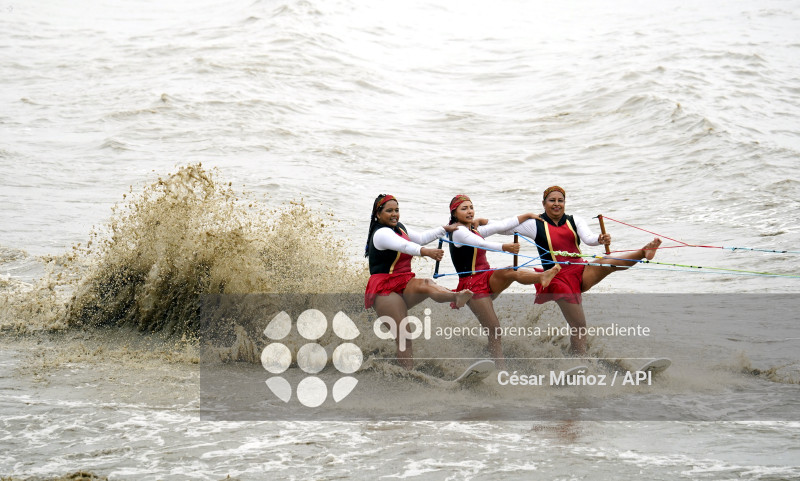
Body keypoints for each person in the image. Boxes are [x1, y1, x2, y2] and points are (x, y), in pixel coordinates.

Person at [507, 185, 662, 355]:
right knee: (579, 326)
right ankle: (578, 361)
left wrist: (600, 238)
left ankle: (643, 252)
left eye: (560, 200)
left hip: (579, 271)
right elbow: (504, 227)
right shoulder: (535, 225)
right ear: (544, 203)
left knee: (607, 263)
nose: (557, 204)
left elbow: (588, 238)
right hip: (557, 278)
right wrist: (482, 224)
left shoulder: (574, 220)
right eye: (552, 200)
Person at [447, 194, 561, 369]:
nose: (470, 211)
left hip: (486, 276)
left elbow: (503, 224)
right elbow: (480, 244)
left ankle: (542, 277)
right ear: (454, 213)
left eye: (471, 207)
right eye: (464, 208)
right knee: (494, 330)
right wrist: (504, 247)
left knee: (510, 270)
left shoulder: (473, 229)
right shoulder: (459, 232)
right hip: (471, 286)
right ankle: (500, 370)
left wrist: (527, 215)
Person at [365, 194, 474, 370]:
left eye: (397, 210)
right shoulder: (381, 233)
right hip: (384, 290)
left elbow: (422, 237)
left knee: (426, 284)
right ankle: (407, 375)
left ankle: (456, 296)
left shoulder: (399, 227)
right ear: (378, 214)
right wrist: (426, 252)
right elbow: (405, 246)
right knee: (405, 337)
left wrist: (447, 228)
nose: (394, 214)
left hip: (402, 282)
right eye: (389, 211)